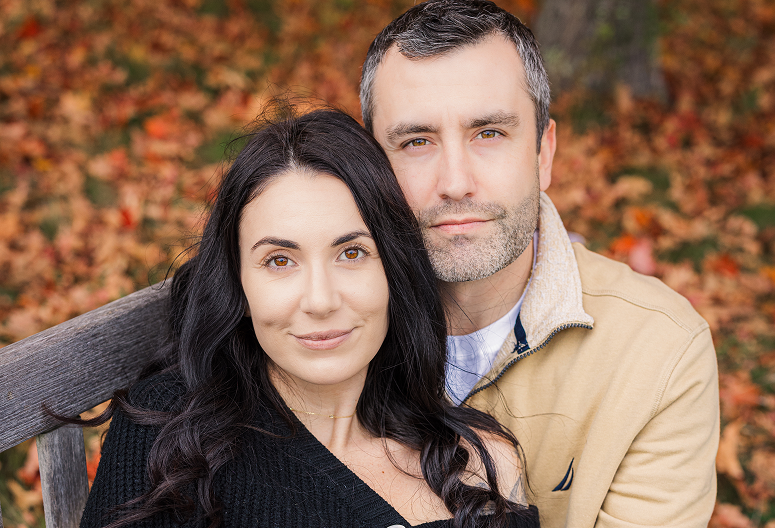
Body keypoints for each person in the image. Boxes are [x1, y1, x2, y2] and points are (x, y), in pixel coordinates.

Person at [77, 107, 540, 528]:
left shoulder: (478, 468)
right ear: (238, 282)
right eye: (280, 260)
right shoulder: (173, 442)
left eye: (352, 252)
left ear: (394, 271)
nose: (320, 300)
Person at [359, 1, 720, 527]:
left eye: (489, 133)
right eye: (416, 142)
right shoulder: (304, 325)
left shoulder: (658, 354)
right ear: (368, 164)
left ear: (543, 153)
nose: (455, 182)